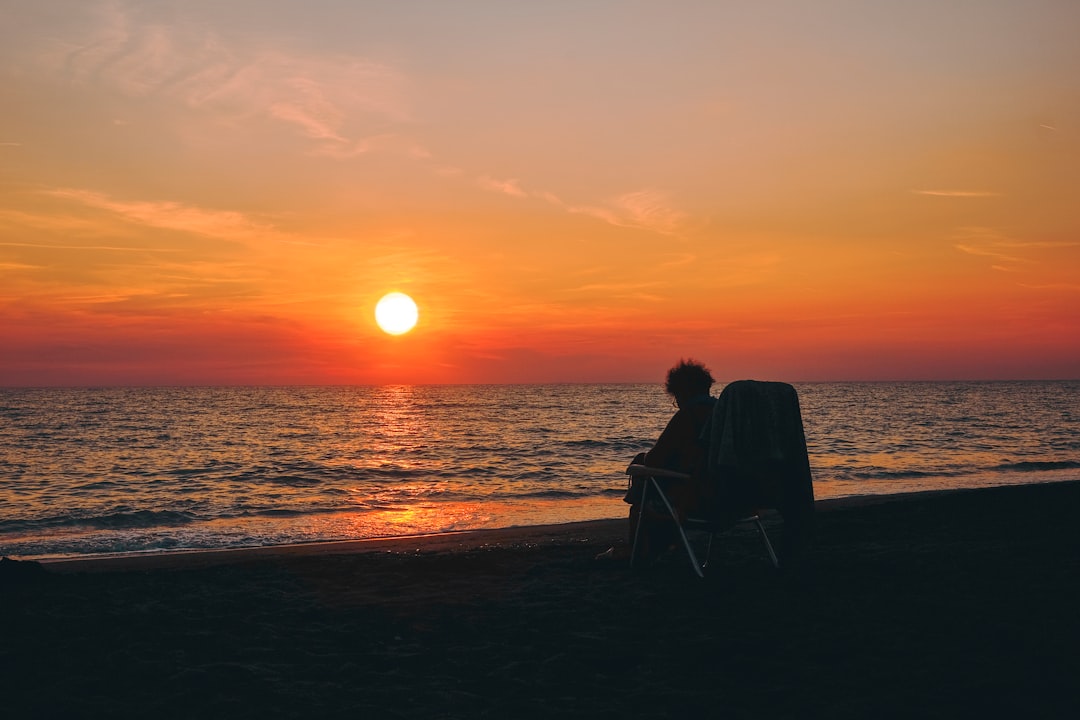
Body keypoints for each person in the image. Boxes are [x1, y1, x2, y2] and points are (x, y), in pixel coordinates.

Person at [595, 359, 717, 562]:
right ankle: (667, 542)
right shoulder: (725, 416)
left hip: (696, 502)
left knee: (642, 476)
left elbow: (655, 460)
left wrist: (641, 463)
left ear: (682, 392)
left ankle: (638, 552)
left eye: (677, 398)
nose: (677, 404)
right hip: (734, 501)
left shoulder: (688, 417)